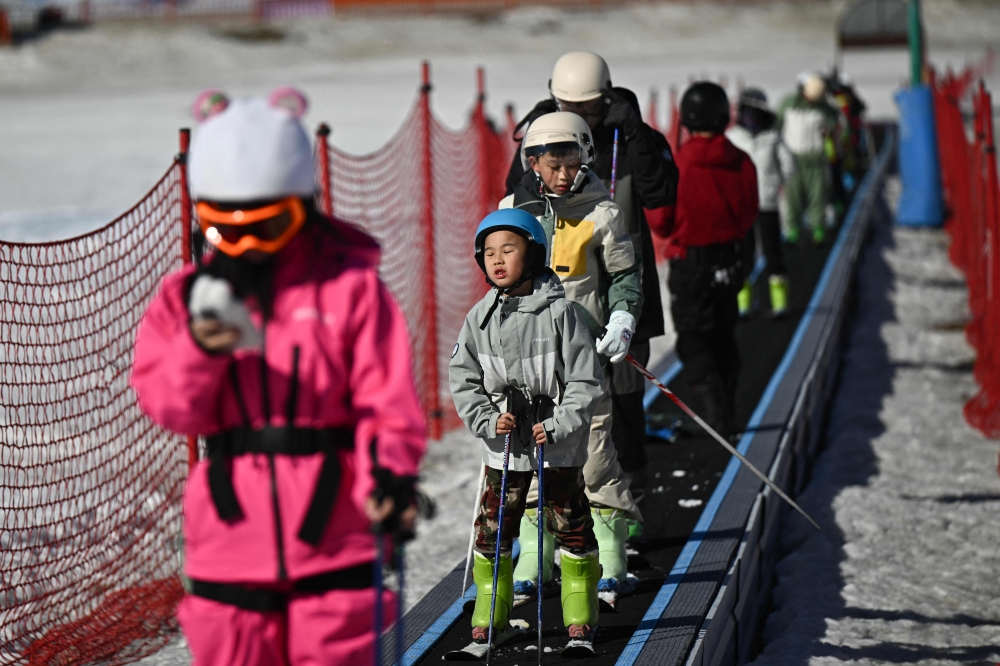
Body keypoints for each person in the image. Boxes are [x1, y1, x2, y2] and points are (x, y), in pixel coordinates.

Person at [131, 89, 427, 666]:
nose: (246, 246)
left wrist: (389, 475)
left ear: (304, 206)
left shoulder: (349, 289)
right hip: (229, 539)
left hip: (335, 530)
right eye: (224, 228)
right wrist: (199, 349)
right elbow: (169, 407)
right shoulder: (186, 298)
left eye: (269, 226)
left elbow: (386, 400)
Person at [505, 52, 679, 535]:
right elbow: (517, 203)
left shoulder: (631, 136)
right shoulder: (541, 139)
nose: (581, 115)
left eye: (590, 107)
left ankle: (626, 517)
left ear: (607, 99)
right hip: (559, 307)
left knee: (621, 411)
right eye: (567, 104)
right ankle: (567, 525)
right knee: (556, 416)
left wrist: (638, 134)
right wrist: (540, 141)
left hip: (624, 289)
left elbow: (661, 192)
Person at [499, 110, 642, 608]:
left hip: (583, 357)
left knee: (596, 451)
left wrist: (622, 317)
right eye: (550, 162)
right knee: (534, 456)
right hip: (531, 362)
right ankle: (537, 554)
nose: (561, 172)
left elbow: (624, 275)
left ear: (587, 154)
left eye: (571, 159)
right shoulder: (512, 210)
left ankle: (612, 551)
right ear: (532, 161)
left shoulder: (602, 212)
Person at [449, 208, 603, 648]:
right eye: (489, 253)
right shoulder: (479, 319)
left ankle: (578, 609)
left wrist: (559, 423)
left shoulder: (562, 314)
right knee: (494, 526)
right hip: (504, 444)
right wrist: (486, 417)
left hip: (555, 441)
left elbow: (584, 378)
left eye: (509, 250)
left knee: (568, 519)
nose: (497, 260)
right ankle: (489, 611)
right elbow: (463, 378)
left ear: (533, 254)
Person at [646, 82, 759, 440]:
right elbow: (749, 212)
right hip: (731, 260)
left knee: (694, 340)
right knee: (724, 335)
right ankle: (728, 411)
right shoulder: (741, 161)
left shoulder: (677, 165)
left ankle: (714, 418)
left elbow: (661, 222)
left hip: (691, 264)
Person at [726, 87, 794, 317]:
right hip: (742, 207)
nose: (751, 118)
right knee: (743, 255)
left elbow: (788, 164)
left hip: (766, 203)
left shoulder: (772, 137)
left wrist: (775, 184)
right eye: (747, 113)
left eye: (755, 113)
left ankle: (779, 303)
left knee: (772, 251)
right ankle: (744, 304)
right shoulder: (733, 138)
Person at [776, 73, 841, 244]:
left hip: (815, 160)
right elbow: (777, 124)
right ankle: (793, 229)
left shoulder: (824, 108)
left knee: (817, 195)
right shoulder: (789, 104)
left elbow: (834, 122)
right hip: (793, 159)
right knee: (793, 197)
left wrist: (830, 128)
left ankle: (818, 228)